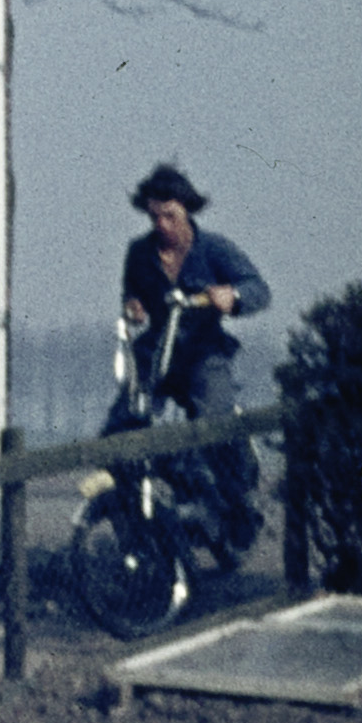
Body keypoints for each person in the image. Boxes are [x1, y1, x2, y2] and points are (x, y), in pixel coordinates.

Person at [118, 163, 273, 558]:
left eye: (169, 215)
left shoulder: (214, 249)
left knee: (213, 423)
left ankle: (237, 499)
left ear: (187, 209)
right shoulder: (139, 254)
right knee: (125, 424)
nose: (161, 225)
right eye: (154, 216)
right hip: (159, 353)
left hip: (204, 353)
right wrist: (133, 306)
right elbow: (131, 292)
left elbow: (258, 289)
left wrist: (232, 296)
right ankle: (138, 517)